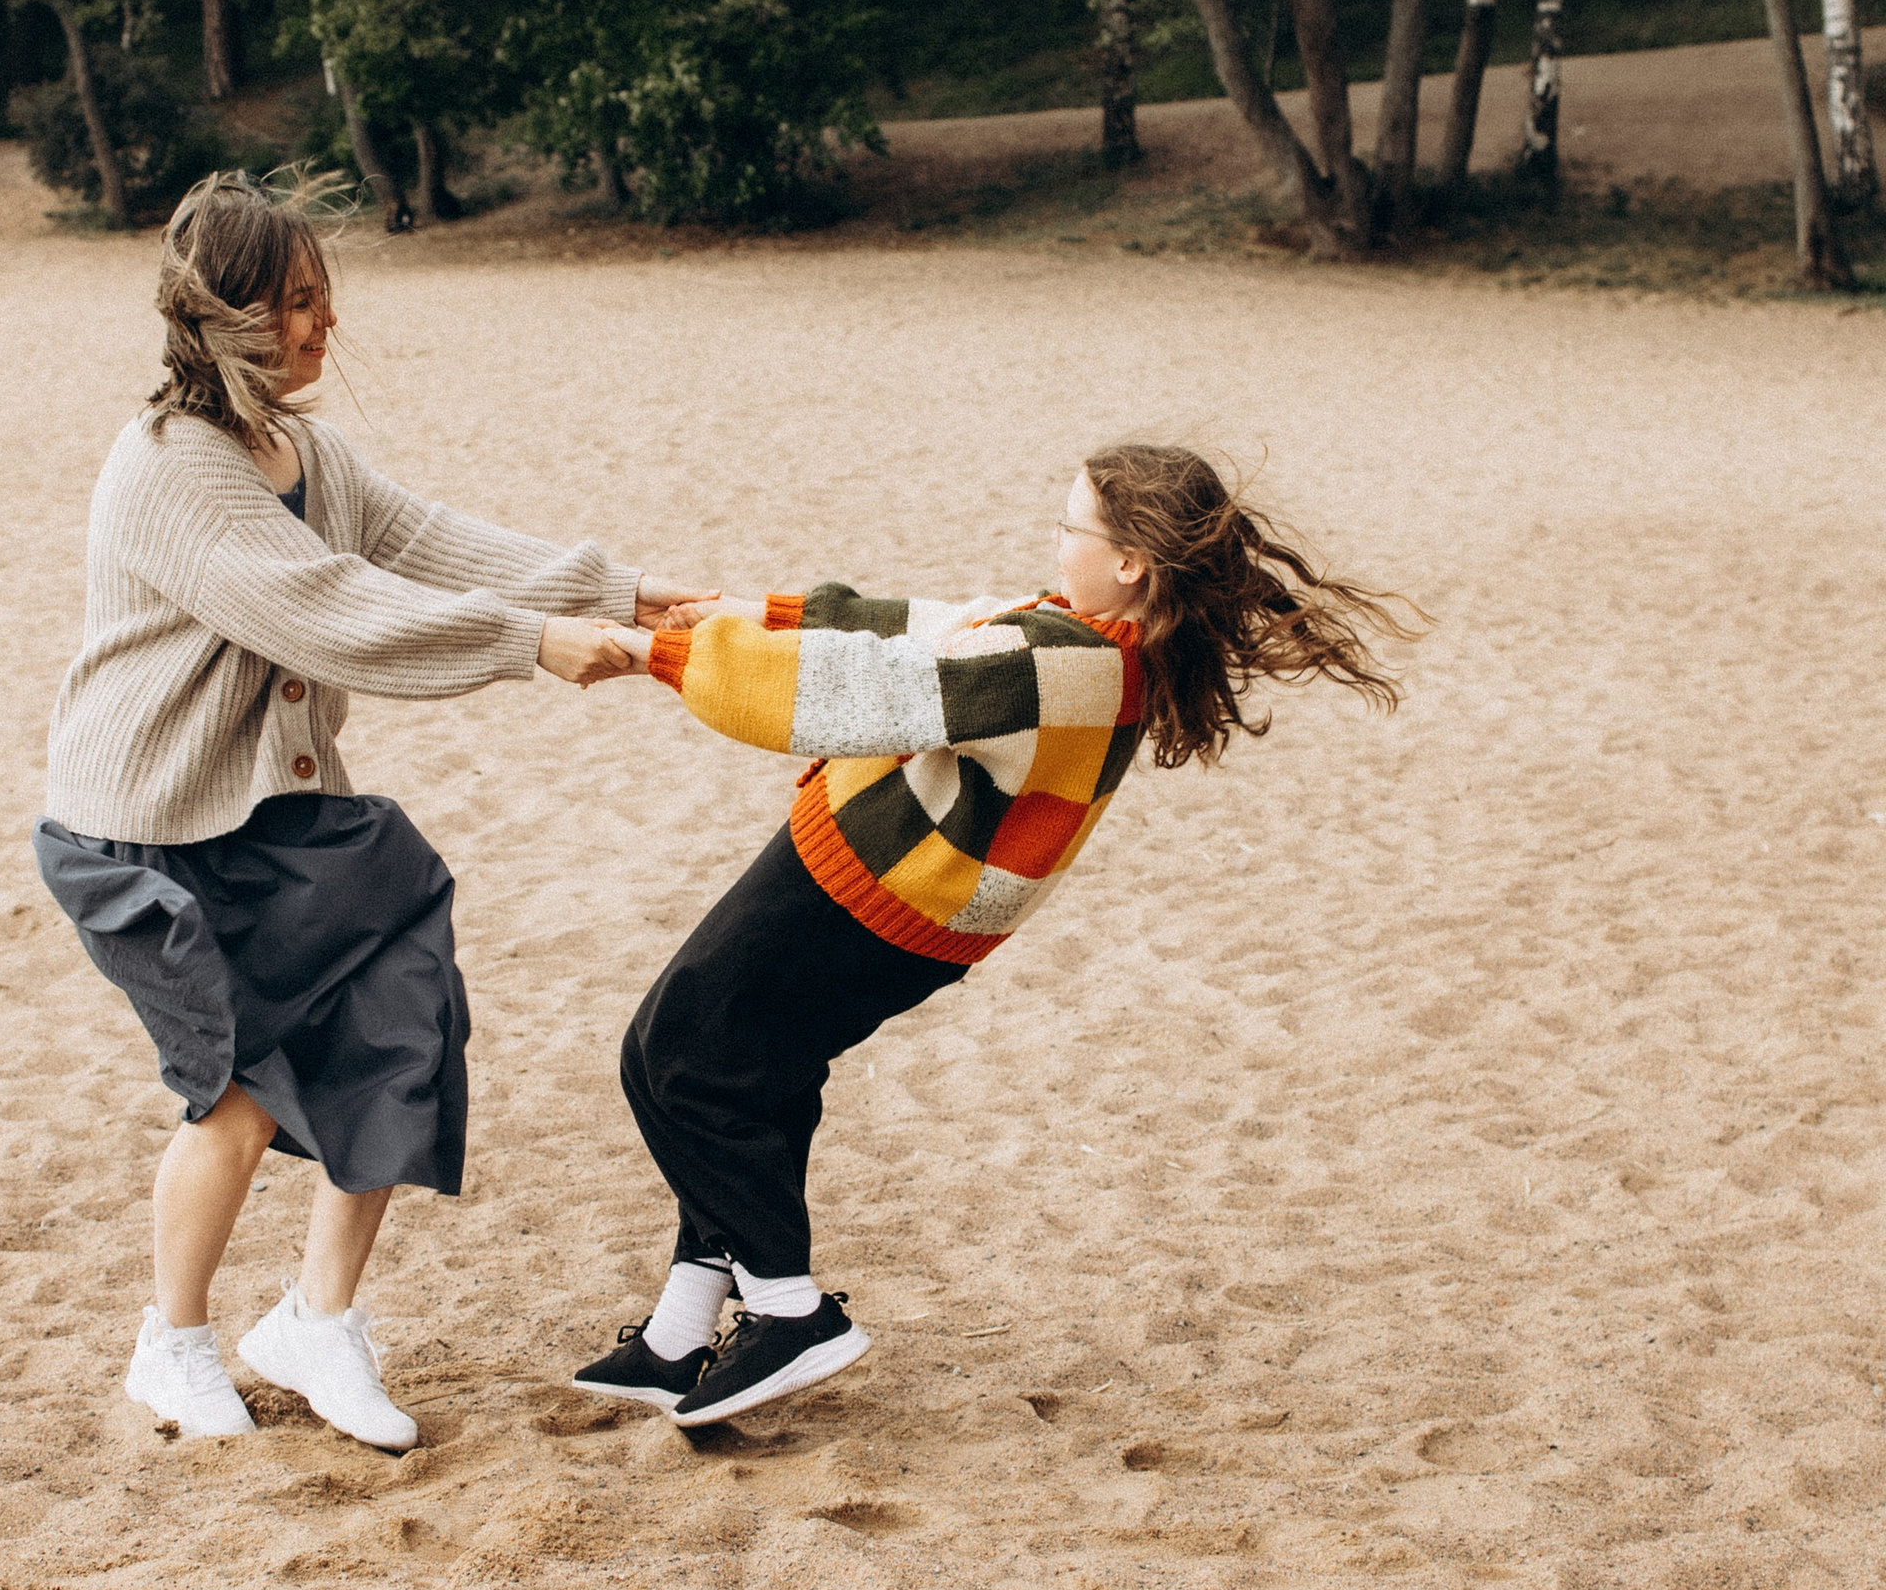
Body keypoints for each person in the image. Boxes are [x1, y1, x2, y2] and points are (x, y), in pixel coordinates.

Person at [37, 168, 703, 1452]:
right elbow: (326, 603)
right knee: (237, 1090)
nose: (321, 326)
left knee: (400, 1023)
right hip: (150, 833)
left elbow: (430, 542)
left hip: (275, 816)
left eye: (323, 298)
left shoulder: (306, 448)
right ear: (226, 317)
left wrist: (626, 593)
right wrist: (530, 645)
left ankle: (315, 1323)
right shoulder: (172, 465)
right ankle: (169, 1345)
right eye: (293, 304)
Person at [574, 443, 1413, 1428]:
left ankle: (789, 1309)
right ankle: (683, 1328)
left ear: (1133, 561)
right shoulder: (1081, 639)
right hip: (909, 904)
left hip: (875, 886)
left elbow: (869, 689)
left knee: (675, 1055)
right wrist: (737, 609)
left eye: (1072, 527)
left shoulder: (1066, 664)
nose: (1056, 542)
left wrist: (657, 654)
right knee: (745, 1066)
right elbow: (930, 627)